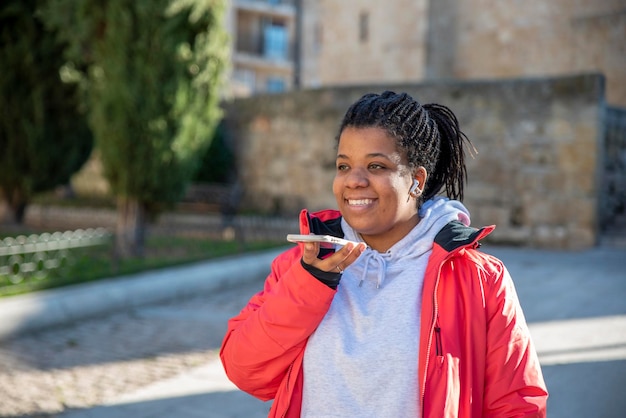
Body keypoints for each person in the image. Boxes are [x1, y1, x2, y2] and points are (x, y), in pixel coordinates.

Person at [220, 91, 548, 417]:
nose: (354, 181)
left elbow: (517, 404)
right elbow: (243, 369)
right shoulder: (304, 264)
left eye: (376, 166)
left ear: (417, 180)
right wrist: (310, 286)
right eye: (343, 165)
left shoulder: (480, 279)